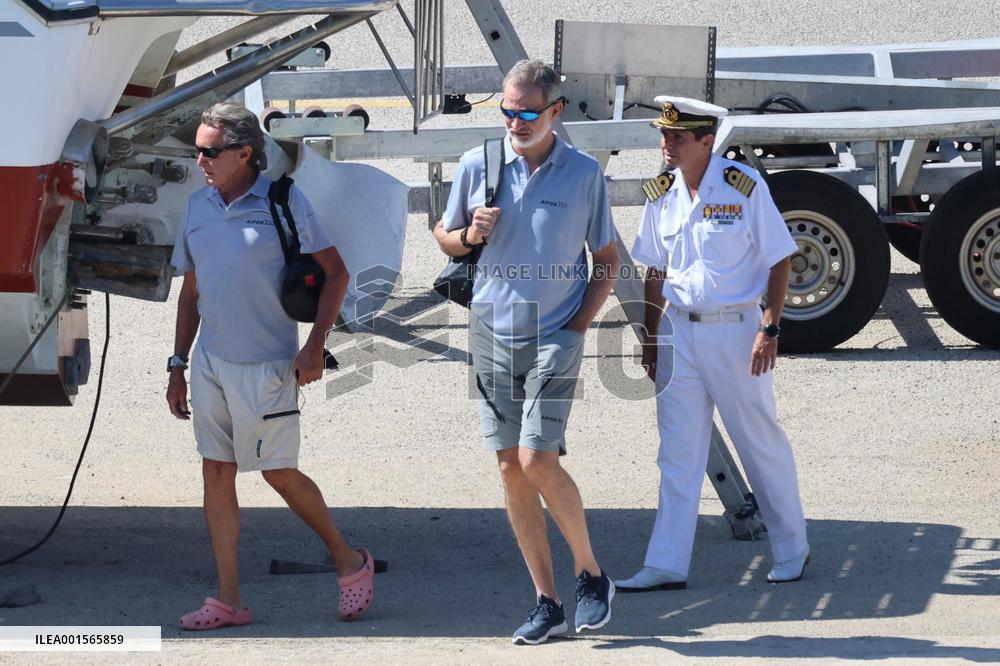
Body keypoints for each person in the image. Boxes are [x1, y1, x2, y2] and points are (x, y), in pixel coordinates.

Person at [166, 102, 374, 629]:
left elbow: (337, 274)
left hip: (268, 366)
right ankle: (229, 600)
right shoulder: (198, 207)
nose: (200, 161)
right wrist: (177, 364)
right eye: (197, 150)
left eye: (210, 151)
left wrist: (314, 345)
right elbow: (190, 293)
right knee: (217, 472)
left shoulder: (283, 201)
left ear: (244, 153)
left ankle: (350, 562)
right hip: (211, 362)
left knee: (278, 473)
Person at [434, 59, 619, 645]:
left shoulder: (584, 174)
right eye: (507, 111)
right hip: (490, 334)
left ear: (555, 112)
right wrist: (469, 236)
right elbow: (443, 235)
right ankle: (547, 602)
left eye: (527, 113)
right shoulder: (477, 165)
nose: (514, 121)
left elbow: (607, 261)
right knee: (511, 469)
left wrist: (579, 328)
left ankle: (592, 574)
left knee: (539, 460)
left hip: (554, 334)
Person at [616, 96, 809, 592]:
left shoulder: (743, 187)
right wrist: (652, 337)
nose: (666, 145)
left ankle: (791, 548)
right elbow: (654, 271)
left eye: (676, 138)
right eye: (663, 135)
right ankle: (666, 563)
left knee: (758, 442)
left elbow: (780, 257)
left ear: (707, 140)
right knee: (677, 452)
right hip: (679, 332)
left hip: (736, 332)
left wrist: (770, 326)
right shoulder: (660, 193)